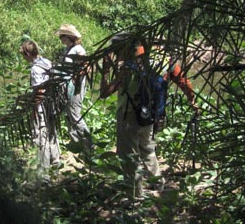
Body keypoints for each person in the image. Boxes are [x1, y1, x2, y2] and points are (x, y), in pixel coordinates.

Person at [100, 33, 198, 198]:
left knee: (128, 154)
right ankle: (158, 184)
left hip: (129, 115)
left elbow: (104, 93)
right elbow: (183, 82)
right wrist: (192, 100)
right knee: (147, 149)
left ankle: (134, 193)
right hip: (151, 114)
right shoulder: (167, 62)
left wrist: (106, 70)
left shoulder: (130, 66)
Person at [19, 40, 60, 177]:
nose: (24, 59)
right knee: (52, 132)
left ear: (28, 54)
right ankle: (56, 162)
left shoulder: (35, 69)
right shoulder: (47, 62)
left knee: (42, 134)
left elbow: (39, 92)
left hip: (43, 105)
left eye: (24, 56)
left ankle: (44, 169)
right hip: (53, 103)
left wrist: (34, 111)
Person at [54, 24, 93, 153]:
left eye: (62, 36)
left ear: (70, 37)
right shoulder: (67, 49)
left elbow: (86, 66)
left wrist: (76, 79)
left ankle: (89, 144)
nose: (60, 38)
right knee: (69, 114)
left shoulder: (78, 50)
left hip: (75, 87)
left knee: (75, 114)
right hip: (66, 86)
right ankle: (76, 143)